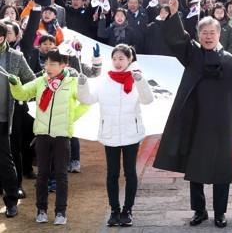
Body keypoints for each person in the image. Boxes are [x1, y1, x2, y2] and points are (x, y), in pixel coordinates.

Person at [153, 0, 232, 228]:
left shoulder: (230, 61)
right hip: (196, 120)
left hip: (220, 123)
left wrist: (227, 117)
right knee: (196, 168)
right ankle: (199, 211)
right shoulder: (192, 54)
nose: (209, 36)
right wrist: (174, 15)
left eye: (212, 32)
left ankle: (220, 213)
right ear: (199, 35)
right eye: (204, 33)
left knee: (221, 169)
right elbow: (178, 40)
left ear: (219, 34)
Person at [8, 49, 90, 225]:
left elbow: (86, 102)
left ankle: (61, 212)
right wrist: (15, 84)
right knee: (43, 174)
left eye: (52, 64)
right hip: (42, 134)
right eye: (46, 63)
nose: (48, 67)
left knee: (61, 174)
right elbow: (22, 94)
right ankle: (41, 210)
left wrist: (70, 117)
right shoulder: (40, 81)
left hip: (62, 135)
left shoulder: (73, 82)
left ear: (64, 65)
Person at [77, 44, 154, 227]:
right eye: (115, 59)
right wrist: (82, 85)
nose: (118, 62)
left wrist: (140, 81)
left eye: (122, 59)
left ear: (129, 60)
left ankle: (127, 210)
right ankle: (114, 210)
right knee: (112, 173)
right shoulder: (105, 80)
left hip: (131, 133)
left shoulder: (136, 78)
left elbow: (148, 100)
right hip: (110, 132)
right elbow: (87, 99)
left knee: (130, 173)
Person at [0, 21, 35, 218]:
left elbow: (31, 80)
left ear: (4, 38)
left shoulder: (15, 57)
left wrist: (18, 86)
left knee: (6, 161)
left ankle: (11, 200)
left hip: (5, 118)